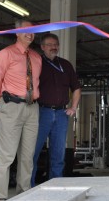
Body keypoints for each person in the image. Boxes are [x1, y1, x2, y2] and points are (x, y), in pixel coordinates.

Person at [0, 19, 41, 201]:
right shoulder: (5, 54)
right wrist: (2, 101)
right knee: (5, 155)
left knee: (27, 156)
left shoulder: (36, 57)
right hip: (11, 105)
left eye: (32, 30)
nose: (30, 33)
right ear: (16, 32)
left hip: (32, 107)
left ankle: (23, 194)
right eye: (25, 30)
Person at [31, 33, 81, 186]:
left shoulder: (65, 65)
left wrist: (73, 107)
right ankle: (29, 187)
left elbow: (77, 88)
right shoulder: (36, 63)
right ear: (42, 47)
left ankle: (55, 186)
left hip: (61, 113)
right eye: (50, 44)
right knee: (33, 152)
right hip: (41, 112)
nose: (54, 47)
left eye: (56, 44)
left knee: (58, 154)